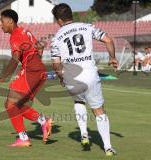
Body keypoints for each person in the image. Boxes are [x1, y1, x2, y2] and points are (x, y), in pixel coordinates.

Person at [50, 3, 118, 156]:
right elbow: (108, 40)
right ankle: (107, 147)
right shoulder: (88, 26)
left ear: (59, 19)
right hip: (89, 74)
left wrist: (61, 77)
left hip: (71, 76)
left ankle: (83, 134)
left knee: (78, 101)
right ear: (71, 15)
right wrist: (112, 58)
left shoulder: (56, 38)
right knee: (99, 111)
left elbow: (56, 64)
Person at [0, 9, 52, 147]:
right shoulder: (25, 31)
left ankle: (23, 138)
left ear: (11, 21)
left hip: (31, 71)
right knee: (18, 105)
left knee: (9, 104)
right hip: (39, 71)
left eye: (2, 21)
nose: (0, 25)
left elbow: (14, 59)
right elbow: (40, 48)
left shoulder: (15, 35)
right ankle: (43, 122)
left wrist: (2, 77)